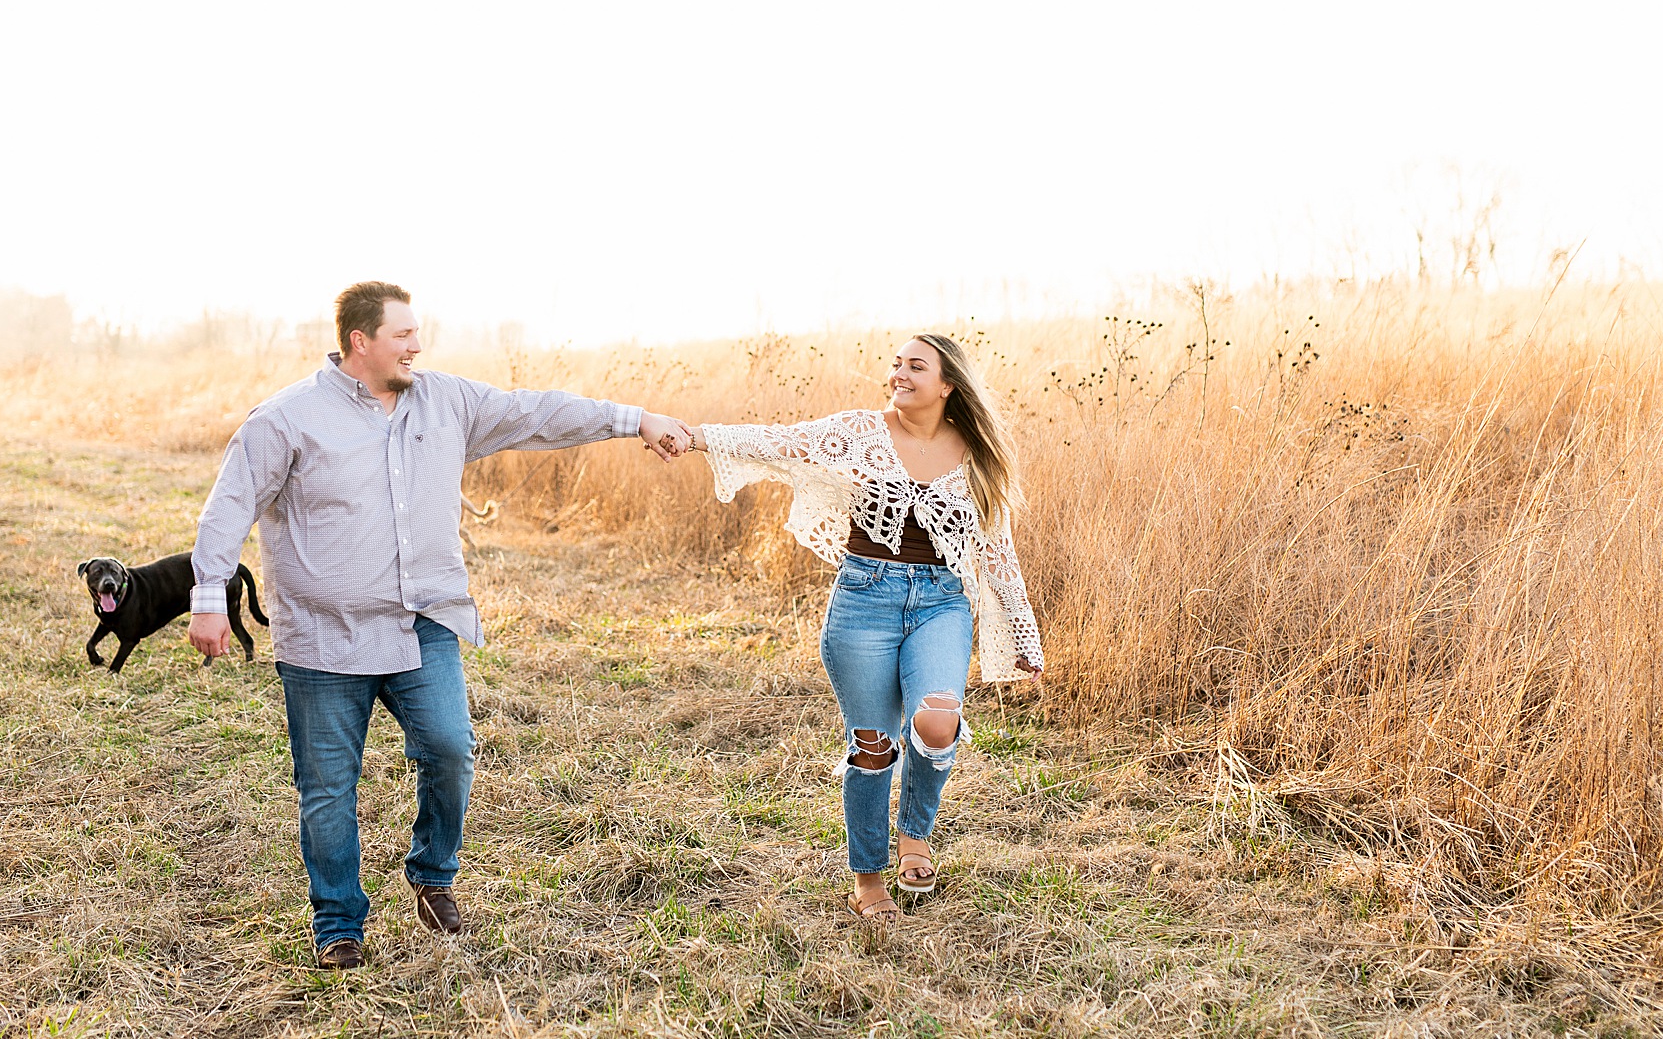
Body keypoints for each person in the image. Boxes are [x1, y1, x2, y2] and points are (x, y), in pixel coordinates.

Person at [186, 281, 693, 965]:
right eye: (403, 335)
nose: (417, 346)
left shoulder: (447, 402)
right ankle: (338, 924)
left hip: (422, 621)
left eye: (416, 334)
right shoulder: (286, 420)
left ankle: (431, 874)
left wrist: (636, 419)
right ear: (360, 341)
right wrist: (209, 597)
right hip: (325, 636)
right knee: (328, 788)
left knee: (451, 749)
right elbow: (229, 505)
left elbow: (538, 413)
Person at [689, 334, 1043, 924]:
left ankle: (915, 835)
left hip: (940, 603)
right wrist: (698, 436)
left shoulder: (976, 454)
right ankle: (868, 880)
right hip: (864, 602)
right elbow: (780, 441)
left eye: (916, 366)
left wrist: (1024, 635)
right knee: (873, 747)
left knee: (937, 721)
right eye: (896, 364)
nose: (899, 373)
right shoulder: (861, 432)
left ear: (948, 384)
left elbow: (997, 551)